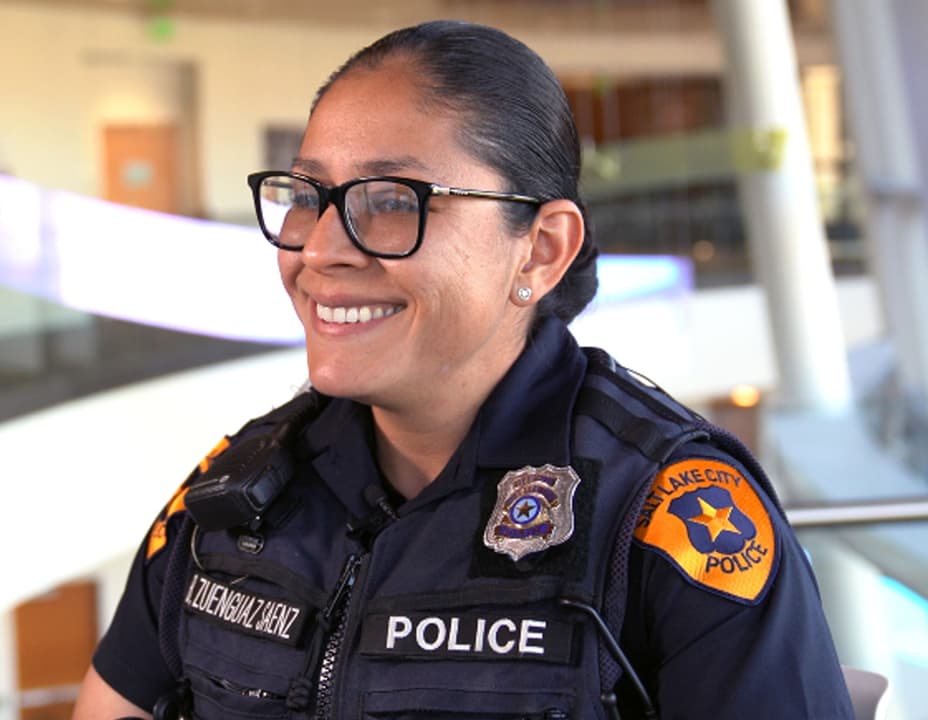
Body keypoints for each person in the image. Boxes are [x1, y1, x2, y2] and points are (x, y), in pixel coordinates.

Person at [74, 20, 855, 720]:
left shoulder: (666, 515)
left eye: (391, 198)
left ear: (541, 249)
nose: (317, 249)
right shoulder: (238, 495)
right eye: (309, 194)